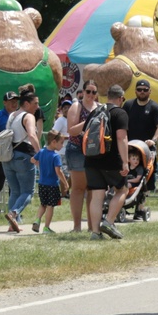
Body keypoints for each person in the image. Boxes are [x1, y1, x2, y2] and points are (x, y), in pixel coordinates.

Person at [84, 85, 129, 241]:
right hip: (111, 161)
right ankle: (109, 222)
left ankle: (95, 233)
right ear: (120, 98)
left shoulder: (95, 112)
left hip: (91, 160)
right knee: (122, 190)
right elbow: (121, 137)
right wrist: (125, 162)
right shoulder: (120, 113)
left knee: (97, 196)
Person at [122, 79, 158, 220]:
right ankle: (119, 203)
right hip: (130, 149)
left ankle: (140, 209)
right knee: (126, 176)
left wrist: (154, 139)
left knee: (145, 180)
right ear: (135, 91)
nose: (142, 92)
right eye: (139, 89)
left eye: (145, 90)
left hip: (146, 150)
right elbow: (121, 123)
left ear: (149, 91)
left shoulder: (154, 107)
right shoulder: (128, 105)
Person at [3, 90, 42, 232]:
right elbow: (31, 135)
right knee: (28, 192)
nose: (38, 106)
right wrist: (40, 155)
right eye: (35, 103)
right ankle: (13, 214)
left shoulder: (12, 115)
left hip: (8, 157)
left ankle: (12, 225)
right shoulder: (29, 116)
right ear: (26, 103)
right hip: (24, 157)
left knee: (15, 191)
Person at [66, 81, 101, 233]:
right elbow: (71, 130)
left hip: (94, 152)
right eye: (88, 91)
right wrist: (88, 121)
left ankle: (91, 226)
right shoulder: (76, 106)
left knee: (92, 190)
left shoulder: (100, 108)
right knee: (78, 189)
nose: (91, 95)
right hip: (77, 150)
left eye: (94, 92)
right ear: (83, 91)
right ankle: (76, 226)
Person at [29, 130, 69, 233]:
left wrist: (39, 163)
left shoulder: (41, 152)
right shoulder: (56, 156)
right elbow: (58, 171)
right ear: (53, 142)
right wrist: (65, 182)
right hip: (52, 185)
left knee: (43, 204)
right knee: (50, 206)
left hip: (42, 184)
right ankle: (46, 227)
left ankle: (37, 220)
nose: (62, 146)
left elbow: (32, 160)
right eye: (61, 143)